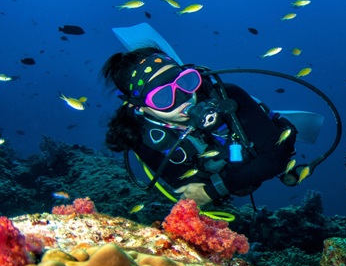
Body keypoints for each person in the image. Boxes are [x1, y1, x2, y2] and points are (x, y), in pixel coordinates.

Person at [101, 47, 297, 206]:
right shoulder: (140, 137)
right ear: (139, 106)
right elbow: (190, 191)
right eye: (162, 97)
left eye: (185, 83)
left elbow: (277, 157)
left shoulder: (227, 97)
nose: (183, 99)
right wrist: (219, 186)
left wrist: (213, 190)